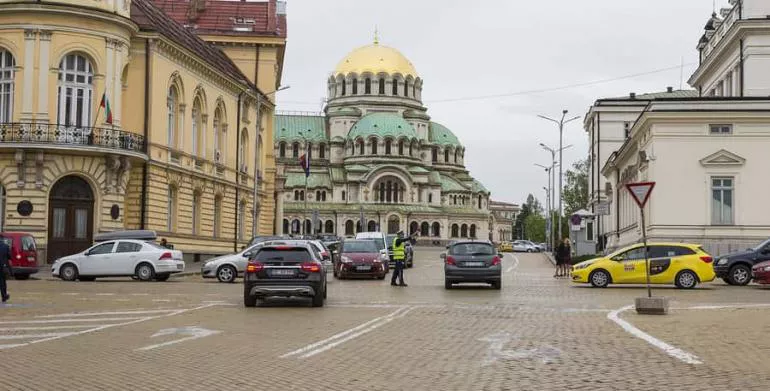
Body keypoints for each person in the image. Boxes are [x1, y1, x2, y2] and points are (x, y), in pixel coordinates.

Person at [0, 235, 12, 303]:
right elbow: (9, 256)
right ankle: (4, 296)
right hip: (2, 267)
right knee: (2, 282)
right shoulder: (5, 246)